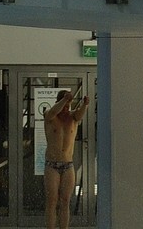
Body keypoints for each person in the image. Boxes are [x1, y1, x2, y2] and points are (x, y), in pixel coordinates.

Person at [43, 89, 89, 229]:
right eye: (63, 106)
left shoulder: (72, 117)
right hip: (52, 165)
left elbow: (79, 114)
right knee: (52, 201)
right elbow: (52, 112)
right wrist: (64, 100)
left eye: (68, 106)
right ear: (58, 103)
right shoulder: (50, 116)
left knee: (65, 201)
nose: (65, 109)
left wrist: (85, 104)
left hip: (68, 165)